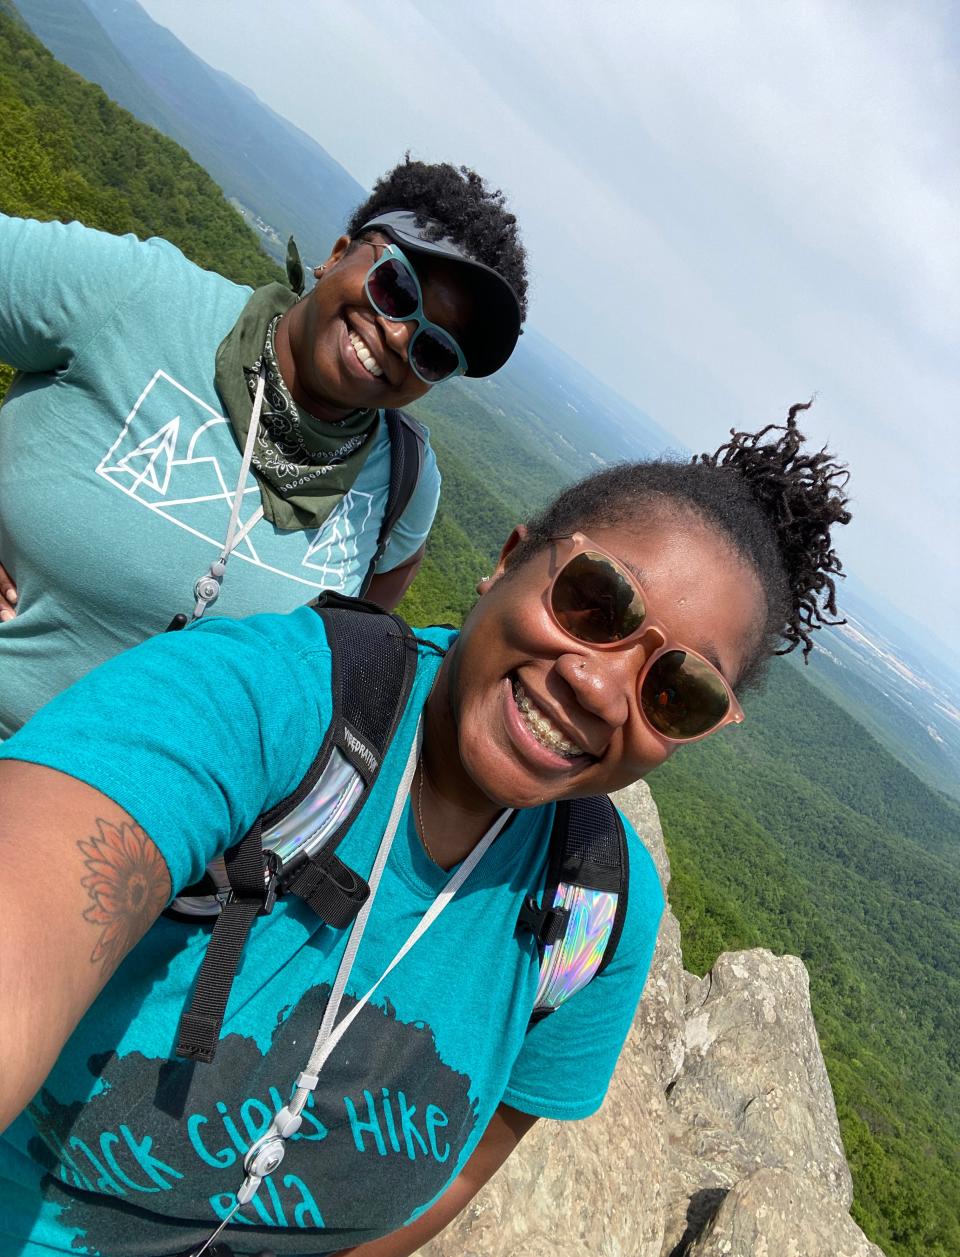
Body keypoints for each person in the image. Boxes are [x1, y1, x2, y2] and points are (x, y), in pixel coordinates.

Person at [0, 407, 850, 1257]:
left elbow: (465, 1167)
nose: (598, 686)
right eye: (594, 601)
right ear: (510, 561)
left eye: (677, 692)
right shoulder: (264, 701)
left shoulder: (595, 908)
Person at [0, 156, 528, 738]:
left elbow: (341, 648)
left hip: (152, 815)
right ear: (337, 254)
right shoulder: (137, 295)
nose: (400, 336)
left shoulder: (403, 482)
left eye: (434, 350)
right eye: (396, 288)